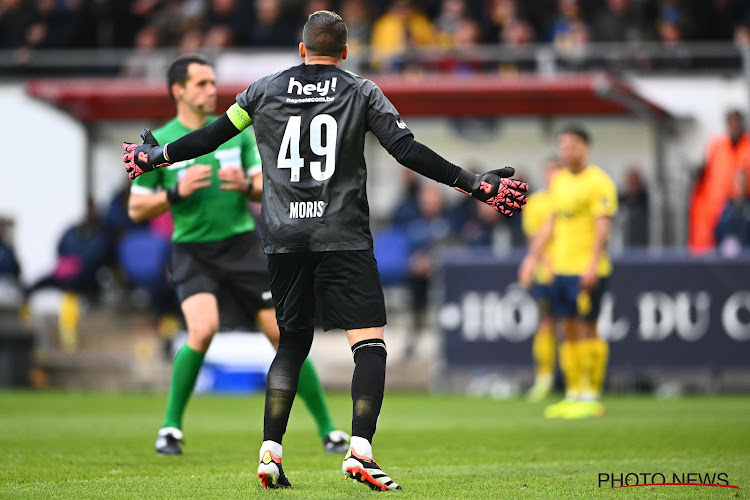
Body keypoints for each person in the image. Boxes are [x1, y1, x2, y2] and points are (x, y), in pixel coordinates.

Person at [123, 11, 527, 491]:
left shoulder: (261, 90)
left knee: (291, 342)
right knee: (369, 342)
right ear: (346, 52)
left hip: (284, 238)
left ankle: (270, 453)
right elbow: (405, 149)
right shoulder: (361, 90)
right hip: (342, 235)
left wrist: (157, 156)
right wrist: (475, 184)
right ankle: (360, 450)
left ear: (300, 50)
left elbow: (211, 137)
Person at [126, 54, 349, 456]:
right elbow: (136, 209)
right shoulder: (161, 142)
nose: (212, 90)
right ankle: (170, 428)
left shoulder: (235, 132)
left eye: (213, 82)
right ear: (179, 90)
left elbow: (267, 186)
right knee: (203, 328)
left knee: (284, 336)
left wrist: (245, 184)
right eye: (202, 83)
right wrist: (178, 191)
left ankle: (330, 430)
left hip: (243, 245)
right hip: (193, 250)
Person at [519, 124, 616, 420]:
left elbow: (603, 228)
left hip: (587, 268)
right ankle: (574, 393)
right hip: (560, 269)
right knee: (568, 329)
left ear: (585, 147)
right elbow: (550, 224)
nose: (567, 151)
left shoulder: (599, 182)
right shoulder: (559, 181)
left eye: (572, 146)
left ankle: (592, 393)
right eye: (563, 146)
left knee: (589, 327)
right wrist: (531, 259)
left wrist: (591, 266)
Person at [520, 158, 560, 402]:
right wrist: (540, 263)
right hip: (546, 274)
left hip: (571, 269)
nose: (552, 177)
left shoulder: (568, 200)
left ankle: (578, 382)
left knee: (572, 325)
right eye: (549, 172)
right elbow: (533, 237)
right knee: (546, 323)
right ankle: (544, 379)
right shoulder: (536, 203)